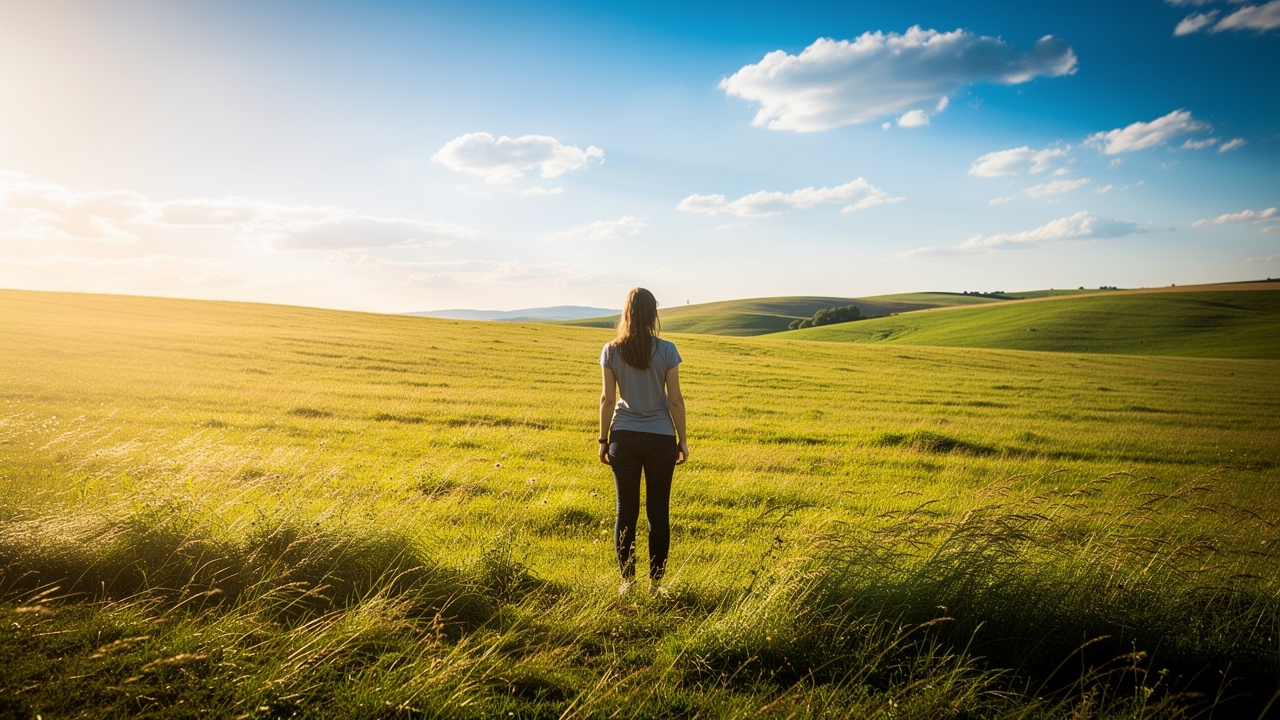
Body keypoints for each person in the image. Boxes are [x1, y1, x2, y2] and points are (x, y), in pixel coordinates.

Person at [598, 287, 688, 595]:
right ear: (653, 314)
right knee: (658, 512)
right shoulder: (667, 350)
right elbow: (674, 400)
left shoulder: (611, 350)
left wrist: (602, 440)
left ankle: (628, 583)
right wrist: (683, 440)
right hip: (661, 437)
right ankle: (656, 584)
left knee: (626, 510)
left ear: (627, 313)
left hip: (622, 437)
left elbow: (607, 400)